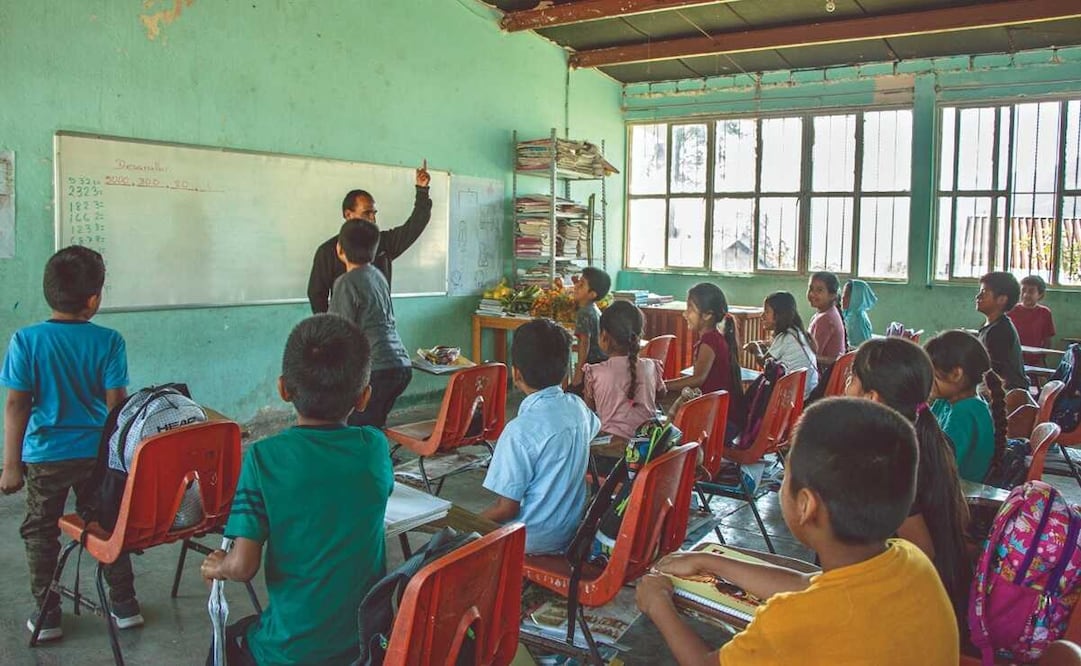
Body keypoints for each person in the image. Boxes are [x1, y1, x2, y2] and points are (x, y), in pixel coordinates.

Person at [634, 398, 959, 666]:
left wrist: (658, 603)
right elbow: (809, 583)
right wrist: (709, 561)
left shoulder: (792, 621)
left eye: (786, 475)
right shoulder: (911, 560)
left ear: (806, 505)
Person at [200, 314, 393, 666]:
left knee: (225, 644)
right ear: (364, 397)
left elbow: (242, 566)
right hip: (367, 645)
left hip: (291, 651)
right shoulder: (375, 448)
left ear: (283, 389)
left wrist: (219, 565)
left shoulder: (264, 458)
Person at [0, 246, 141, 641]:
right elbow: (117, 407)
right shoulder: (109, 341)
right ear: (93, 299)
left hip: (45, 457)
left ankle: (47, 614)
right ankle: (125, 604)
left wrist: (11, 465)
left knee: (41, 532)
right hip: (96, 455)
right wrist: (121, 459)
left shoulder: (26, 340)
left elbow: (16, 404)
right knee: (106, 523)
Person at [845, 337, 970, 624]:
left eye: (851, 378)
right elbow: (961, 518)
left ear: (872, 398)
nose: (846, 386)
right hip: (939, 595)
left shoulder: (889, 462)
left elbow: (922, 551)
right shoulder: (929, 438)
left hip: (904, 610)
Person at [481, 318, 600, 555]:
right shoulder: (577, 407)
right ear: (565, 370)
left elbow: (506, 509)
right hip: (570, 533)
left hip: (530, 541)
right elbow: (595, 428)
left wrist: (466, 525)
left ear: (516, 374)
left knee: (452, 541)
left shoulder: (518, 431)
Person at [307, 161, 432, 313]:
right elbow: (316, 295)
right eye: (367, 213)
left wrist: (422, 190)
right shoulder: (328, 251)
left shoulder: (384, 243)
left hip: (381, 325)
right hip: (346, 326)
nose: (373, 218)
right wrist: (331, 325)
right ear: (348, 214)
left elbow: (416, 225)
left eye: (374, 213)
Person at [328, 219, 412, 428]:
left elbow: (338, 332)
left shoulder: (346, 282)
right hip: (400, 365)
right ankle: (376, 446)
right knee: (371, 425)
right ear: (374, 251)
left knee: (354, 427)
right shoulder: (378, 276)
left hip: (376, 370)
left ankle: (368, 448)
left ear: (339, 249)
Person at [925, 330, 1008, 484]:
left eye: (932, 375)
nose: (926, 381)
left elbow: (939, 465)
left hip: (959, 490)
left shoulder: (965, 413)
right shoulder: (945, 402)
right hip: (947, 484)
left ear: (956, 374)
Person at [665, 283, 745, 432]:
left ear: (707, 315)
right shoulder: (715, 337)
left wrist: (663, 385)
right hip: (722, 417)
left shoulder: (710, 340)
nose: (685, 314)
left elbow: (698, 379)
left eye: (690, 309)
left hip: (720, 423)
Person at [583, 301, 665, 446]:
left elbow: (588, 412)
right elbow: (661, 394)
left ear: (604, 335)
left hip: (610, 450)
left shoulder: (595, 372)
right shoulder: (651, 366)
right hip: (647, 447)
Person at [745, 291, 820, 398]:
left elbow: (765, 365)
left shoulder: (785, 337)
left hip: (797, 397)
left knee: (753, 393)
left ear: (779, 315)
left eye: (766, 312)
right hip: (808, 391)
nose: (762, 316)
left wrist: (755, 348)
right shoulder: (797, 332)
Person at [976, 271, 1029, 391]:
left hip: (1007, 394)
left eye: (984, 292)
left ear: (1001, 299)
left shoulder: (999, 331)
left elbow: (994, 373)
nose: (978, 297)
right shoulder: (992, 325)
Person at [571, 267, 611, 387]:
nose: (576, 286)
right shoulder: (593, 308)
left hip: (591, 363)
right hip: (601, 361)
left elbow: (584, 342)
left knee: (574, 391)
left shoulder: (584, 313)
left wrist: (579, 371)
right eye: (578, 282)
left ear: (592, 294)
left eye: (582, 284)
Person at [1007, 274, 1056, 367]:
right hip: (1013, 358)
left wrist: (1041, 358)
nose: (1026, 295)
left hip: (1035, 360)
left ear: (1040, 295)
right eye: (1023, 290)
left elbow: (1047, 339)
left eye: (1031, 291)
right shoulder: (1010, 310)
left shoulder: (1045, 313)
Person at [806, 271, 846, 368]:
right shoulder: (827, 313)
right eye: (811, 288)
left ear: (832, 295)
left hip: (826, 374)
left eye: (819, 290)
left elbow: (812, 354)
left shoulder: (825, 319)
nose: (812, 294)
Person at [842, 279, 877, 348]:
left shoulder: (857, 320)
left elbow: (860, 348)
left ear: (857, 297)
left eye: (847, 295)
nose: (843, 298)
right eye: (843, 294)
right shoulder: (851, 314)